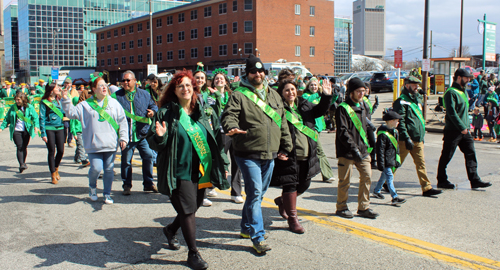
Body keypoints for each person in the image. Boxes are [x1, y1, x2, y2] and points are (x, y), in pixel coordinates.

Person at [147, 70, 229, 269]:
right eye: (180, 85)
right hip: (178, 170)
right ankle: (193, 254)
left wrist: (223, 164)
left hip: (201, 170)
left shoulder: (202, 112)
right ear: (174, 91)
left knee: (193, 206)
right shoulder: (166, 113)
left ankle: (170, 229)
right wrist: (159, 136)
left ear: (194, 89)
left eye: (188, 85)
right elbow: (154, 142)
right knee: (188, 210)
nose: (185, 88)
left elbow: (216, 140)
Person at [222, 54, 293, 253]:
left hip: (269, 153)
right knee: (254, 193)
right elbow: (229, 115)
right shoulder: (239, 94)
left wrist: (286, 146)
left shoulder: (274, 95)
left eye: (261, 71)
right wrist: (232, 127)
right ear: (248, 73)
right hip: (247, 153)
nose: (258, 74)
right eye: (254, 71)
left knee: (258, 195)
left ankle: (246, 228)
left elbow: (283, 122)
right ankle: (257, 236)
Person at [272, 79, 332, 233]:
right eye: (286, 90)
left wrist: (326, 96)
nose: (290, 92)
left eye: (292, 89)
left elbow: (319, 111)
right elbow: (273, 131)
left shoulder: (304, 104)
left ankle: (283, 201)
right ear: (281, 93)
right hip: (289, 155)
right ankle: (293, 220)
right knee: (290, 185)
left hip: (307, 153)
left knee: (304, 184)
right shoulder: (278, 109)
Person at [62, 76, 129, 204]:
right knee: (96, 168)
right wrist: (65, 100)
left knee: (109, 169)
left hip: (110, 143)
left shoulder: (114, 103)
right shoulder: (85, 105)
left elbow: (122, 121)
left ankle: (107, 194)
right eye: (100, 86)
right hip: (94, 144)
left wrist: (124, 138)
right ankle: (92, 187)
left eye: (105, 85)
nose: (104, 88)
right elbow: (71, 113)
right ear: (93, 89)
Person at [436, 68, 492, 189]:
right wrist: (462, 127)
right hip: (453, 130)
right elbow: (451, 112)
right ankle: (441, 180)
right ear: (459, 78)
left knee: (471, 153)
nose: (468, 80)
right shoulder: (451, 93)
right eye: (466, 78)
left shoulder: (463, 92)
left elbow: (464, 112)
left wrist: (467, 126)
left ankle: (475, 180)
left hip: (465, 129)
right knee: (447, 155)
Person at [335, 77, 378, 219]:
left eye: (363, 91)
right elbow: (343, 131)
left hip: (363, 151)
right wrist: (354, 149)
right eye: (359, 91)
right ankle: (341, 207)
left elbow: (365, 128)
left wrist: (370, 143)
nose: (362, 94)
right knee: (345, 181)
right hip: (347, 152)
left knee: (367, 177)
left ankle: (363, 207)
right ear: (351, 92)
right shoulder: (342, 108)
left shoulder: (363, 106)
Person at [392, 76, 442, 197]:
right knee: (395, 163)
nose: (416, 87)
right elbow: (400, 122)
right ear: (406, 85)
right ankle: (385, 182)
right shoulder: (401, 101)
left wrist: (421, 95)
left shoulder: (416, 100)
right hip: (405, 140)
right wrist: (406, 137)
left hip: (417, 139)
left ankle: (426, 188)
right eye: (414, 85)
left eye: (417, 85)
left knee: (421, 164)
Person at [112, 70, 159, 195]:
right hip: (126, 135)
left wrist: (152, 112)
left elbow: (154, 106)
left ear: (134, 81)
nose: (125, 82)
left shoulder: (144, 94)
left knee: (148, 157)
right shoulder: (116, 96)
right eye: (123, 80)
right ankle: (127, 185)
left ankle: (148, 184)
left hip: (142, 134)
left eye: (128, 80)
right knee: (126, 161)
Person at [210, 69, 244, 204]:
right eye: (216, 79)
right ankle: (211, 186)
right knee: (218, 160)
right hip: (220, 131)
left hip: (233, 132)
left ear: (226, 81)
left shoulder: (232, 95)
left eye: (221, 78)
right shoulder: (210, 95)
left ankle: (236, 192)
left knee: (237, 162)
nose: (219, 80)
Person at [302, 78, 336, 183]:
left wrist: (333, 95)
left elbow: (328, 104)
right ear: (308, 86)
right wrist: (321, 94)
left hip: (319, 127)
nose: (314, 87)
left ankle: (304, 173)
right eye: (311, 85)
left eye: (315, 85)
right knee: (320, 151)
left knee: (312, 151)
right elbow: (309, 100)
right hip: (311, 128)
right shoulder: (305, 96)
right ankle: (327, 175)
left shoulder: (319, 96)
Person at [372, 111, 406, 206]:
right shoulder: (383, 134)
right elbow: (380, 150)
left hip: (391, 159)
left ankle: (376, 190)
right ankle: (394, 197)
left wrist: (397, 160)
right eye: (396, 121)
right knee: (390, 177)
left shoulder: (395, 132)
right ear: (391, 121)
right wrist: (381, 163)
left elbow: (396, 148)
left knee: (384, 176)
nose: (398, 123)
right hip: (386, 160)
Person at [0, 92, 40, 173]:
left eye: (18, 99)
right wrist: (1, 128)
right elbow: (7, 119)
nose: (17, 101)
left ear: (23, 99)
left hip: (26, 130)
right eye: (16, 99)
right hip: (16, 130)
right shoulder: (13, 108)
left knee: (24, 147)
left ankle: (23, 162)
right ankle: (21, 164)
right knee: (19, 146)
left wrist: (36, 126)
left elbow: (35, 117)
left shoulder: (29, 107)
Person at [39, 82, 66, 184]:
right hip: (49, 127)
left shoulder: (59, 100)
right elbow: (41, 117)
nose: (59, 88)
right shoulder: (44, 102)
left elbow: (64, 112)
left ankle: (56, 167)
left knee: (61, 150)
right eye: (56, 87)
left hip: (60, 127)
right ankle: (53, 174)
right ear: (51, 90)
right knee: (51, 151)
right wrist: (43, 133)